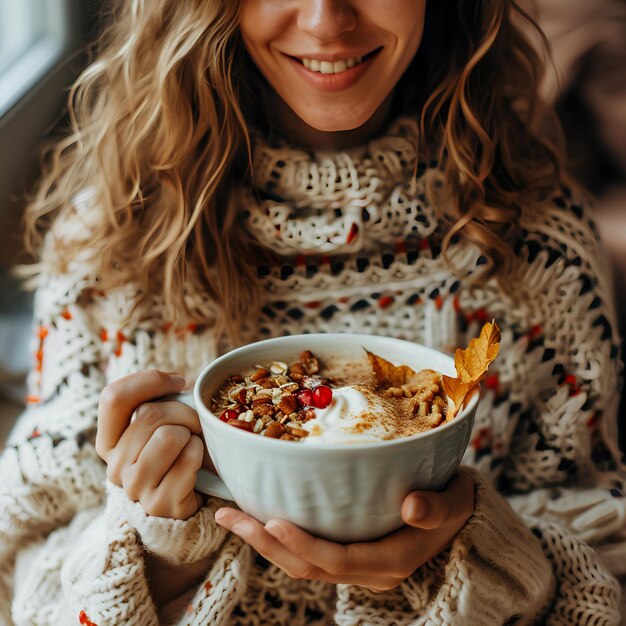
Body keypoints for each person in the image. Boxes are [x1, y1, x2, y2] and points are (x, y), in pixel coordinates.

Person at [1, 0, 625, 623]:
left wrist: (479, 546)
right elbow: (21, 575)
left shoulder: (540, 250)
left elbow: (607, 566)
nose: (328, 20)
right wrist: (163, 559)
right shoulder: (111, 244)